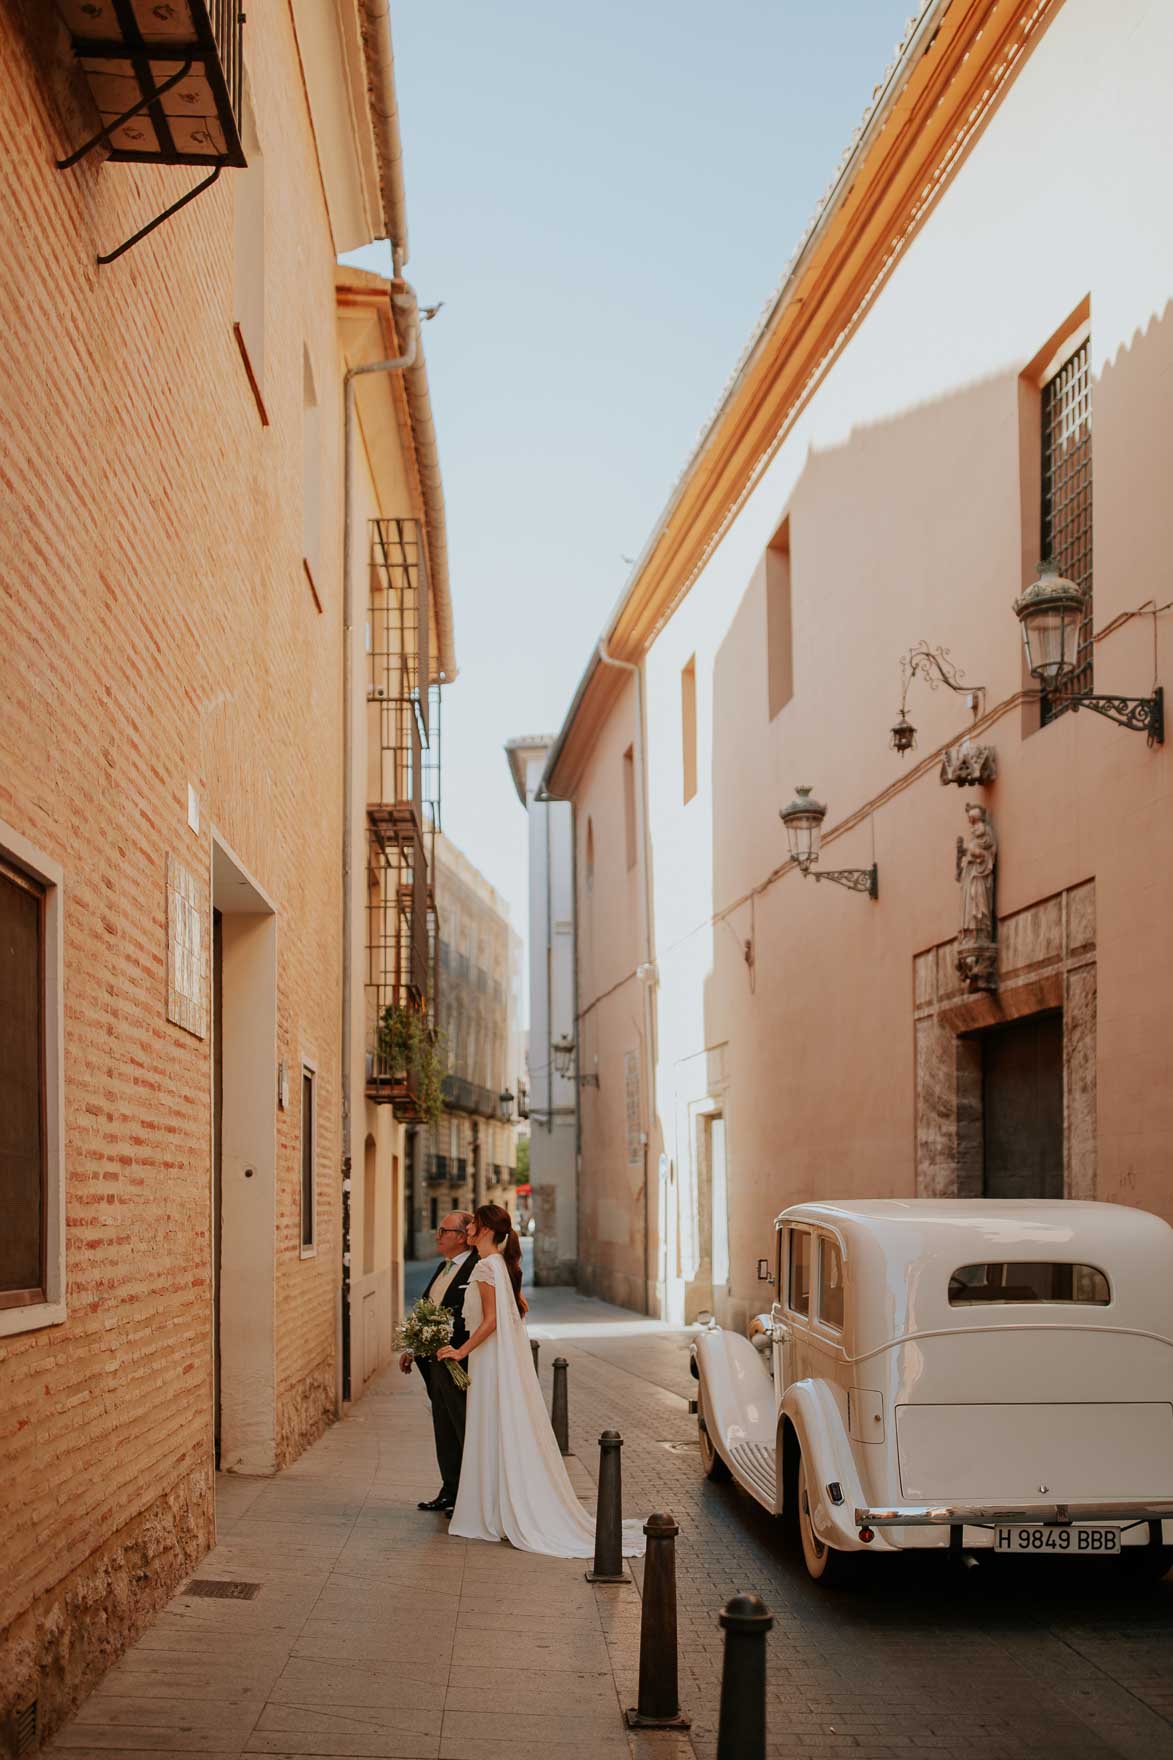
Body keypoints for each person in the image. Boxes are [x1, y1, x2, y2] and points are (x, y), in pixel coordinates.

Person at [438, 1202, 645, 1560]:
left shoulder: (488, 1267)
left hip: (487, 1358)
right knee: (494, 1426)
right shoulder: (499, 1265)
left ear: (485, 1229)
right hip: (493, 1358)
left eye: (473, 1224)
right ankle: (498, 1503)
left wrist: (460, 1350)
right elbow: (515, 1309)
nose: (467, 1227)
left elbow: (491, 1322)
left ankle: (493, 1509)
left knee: (490, 1425)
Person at [399, 1210, 476, 1515]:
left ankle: (468, 1496)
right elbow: (428, 1309)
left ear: (461, 1237)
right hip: (434, 1362)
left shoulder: (476, 1268)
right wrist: (412, 1347)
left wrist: (454, 1348)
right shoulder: (443, 1267)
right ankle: (450, 1489)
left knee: (462, 1428)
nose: (437, 1235)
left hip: (459, 1362)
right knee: (443, 1427)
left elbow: (469, 1319)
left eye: (443, 1230)